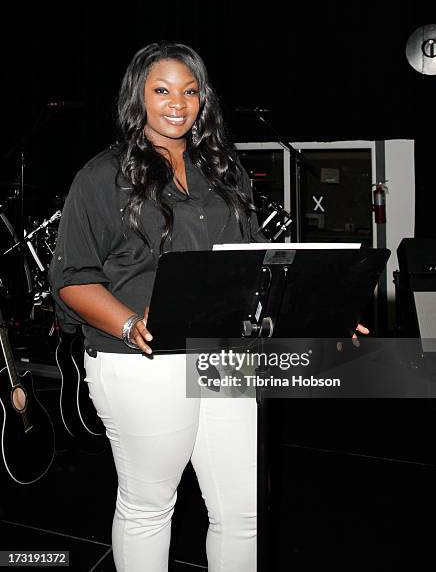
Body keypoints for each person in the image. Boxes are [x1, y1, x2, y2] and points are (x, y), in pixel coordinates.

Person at [48, 41, 261, 572]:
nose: (177, 103)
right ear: (137, 97)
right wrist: (126, 324)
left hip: (222, 355)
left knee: (242, 514)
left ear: (203, 99)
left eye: (190, 91)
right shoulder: (101, 176)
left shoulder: (224, 169)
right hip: (141, 361)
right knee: (149, 508)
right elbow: (72, 278)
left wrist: (317, 309)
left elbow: (256, 261)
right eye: (162, 90)